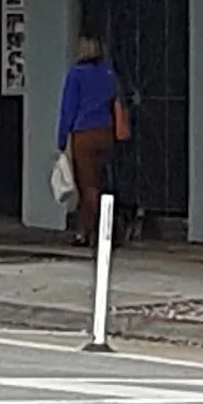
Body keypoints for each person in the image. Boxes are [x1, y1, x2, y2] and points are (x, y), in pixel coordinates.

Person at [55, 34, 120, 247]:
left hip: (84, 134)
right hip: (106, 131)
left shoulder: (76, 75)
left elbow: (68, 109)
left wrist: (61, 139)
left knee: (87, 186)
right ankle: (105, 224)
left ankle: (86, 232)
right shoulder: (108, 73)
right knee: (101, 181)